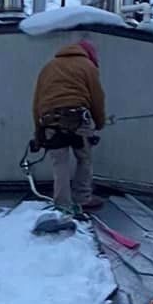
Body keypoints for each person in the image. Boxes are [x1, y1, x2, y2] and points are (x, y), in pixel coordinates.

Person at [32, 37, 107, 212]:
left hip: (50, 120)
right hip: (77, 118)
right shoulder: (88, 66)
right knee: (84, 158)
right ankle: (82, 198)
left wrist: (38, 132)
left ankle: (62, 204)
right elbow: (97, 98)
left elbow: (36, 102)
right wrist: (99, 123)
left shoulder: (48, 67)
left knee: (60, 162)